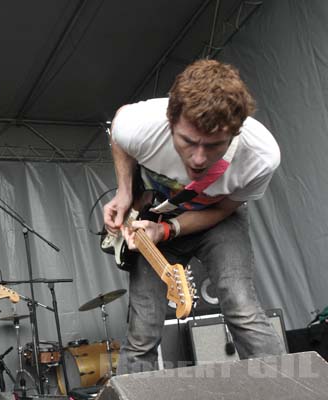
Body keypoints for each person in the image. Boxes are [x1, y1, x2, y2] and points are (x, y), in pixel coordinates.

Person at [103, 59, 284, 373]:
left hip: (218, 220)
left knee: (240, 304)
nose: (198, 158)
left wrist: (170, 230)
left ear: (236, 132)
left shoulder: (261, 156)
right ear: (170, 121)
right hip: (155, 220)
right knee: (143, 331)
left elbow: (225, 209)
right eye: (187, 141)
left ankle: (283, 389)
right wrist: (124, 193)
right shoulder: (141, 124)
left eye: (214, 146)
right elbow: (118, 135)